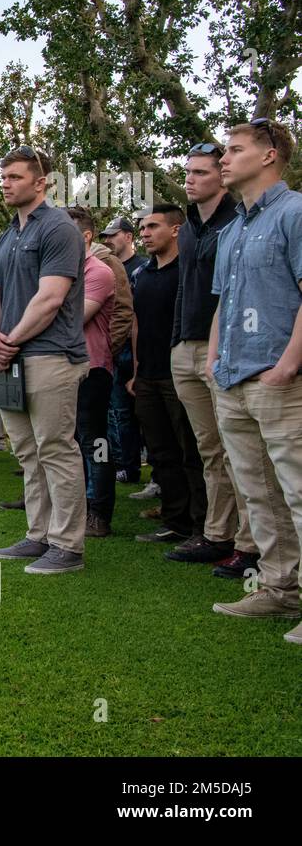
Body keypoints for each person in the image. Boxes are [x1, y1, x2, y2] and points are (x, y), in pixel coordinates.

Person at [207, 118, 302, 634]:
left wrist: (288, 363)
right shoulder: (232, 230)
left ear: (269, 156)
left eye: (235, 149)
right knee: (258, 493)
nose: (225, 158)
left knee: (297, 490)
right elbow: (223, 304)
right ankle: (280, 590)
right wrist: (214, 361)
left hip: (280, 379)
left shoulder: (296, 213)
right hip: (232, 378)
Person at [0, 146, 90, 575]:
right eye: (4, 176)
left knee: (56, 450)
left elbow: (50, 299)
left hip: (50, 356)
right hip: (9, 358)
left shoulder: (58, 228)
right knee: (27, 452)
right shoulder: (8, 235)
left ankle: (67, 546)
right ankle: (38, 535)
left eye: (14, 177)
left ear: (41, 182)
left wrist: (8, 340)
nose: (6, 183)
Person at [168, 143, 259, 577]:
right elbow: (185, 287)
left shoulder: (238, 221)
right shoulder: (186, 227)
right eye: (188, 172)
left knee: (237, 448)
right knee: (209, 449)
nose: (190, 179)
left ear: (221, 178)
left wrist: (218, 347)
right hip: (185, 347)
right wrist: (175, 341)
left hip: (223, 347)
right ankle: (218, 533)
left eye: (201, 172)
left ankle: (251, 543)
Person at [128, 206, 208, 546]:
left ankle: (203, 526)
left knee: (192, 452)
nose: (145, 233)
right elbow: (135, 323)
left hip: (181, 375)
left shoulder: (187, 272)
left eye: (153, 227)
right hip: (147, 376)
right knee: (162, 454)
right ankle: (175, 521)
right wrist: (134, 371)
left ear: (176, 230)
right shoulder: (142, 275)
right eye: (143, 228)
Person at [66, 208, 120, 538]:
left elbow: (72, 320)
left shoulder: (98, 272)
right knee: (66, 442)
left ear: (85, 236)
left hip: (93, 369)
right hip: (61, 369)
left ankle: (99, 512)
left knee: (95, 441)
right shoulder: (56, 271)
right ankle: (75, 509)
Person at [101, 216, 146, 486]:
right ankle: (123, 464)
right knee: (117, 412)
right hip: (114, 350)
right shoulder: (104, 265)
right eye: (105, 236)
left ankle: (133, 466)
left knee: (134, 412)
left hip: (135, 349)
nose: (108, 240)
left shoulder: (142, 267)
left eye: (113, 235)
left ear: (128, 237)